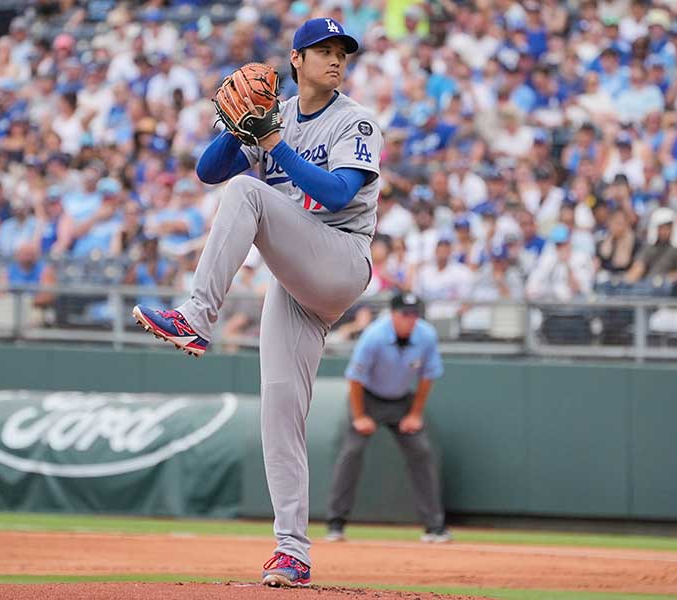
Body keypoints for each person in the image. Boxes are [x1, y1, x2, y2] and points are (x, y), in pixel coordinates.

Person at [132, 18, 381, 588]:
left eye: (343, 51)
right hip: (295, 283)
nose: (336, 59)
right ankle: (292, 552)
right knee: (279, 415)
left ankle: (195, 316)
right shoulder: (277, 110)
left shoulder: (355, 119)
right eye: (323, 50)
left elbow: (339, 192)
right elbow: (207, 171)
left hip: (341, 260)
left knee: (250, 190)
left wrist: (270, 144)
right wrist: (233, 126)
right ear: (296, 59)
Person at [325, 293, 448, 543]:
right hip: (367, 398)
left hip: (402, 400)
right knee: (352, 451)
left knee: (422, 452)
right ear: (393, 314)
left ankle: (434, 527)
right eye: (405, 314)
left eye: (414, 314)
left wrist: (415, 413)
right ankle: (336, 523)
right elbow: (355, 379)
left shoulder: (426, 335)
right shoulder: (374, 335)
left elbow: (428, 376)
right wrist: (359, 416)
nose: (410, 320)